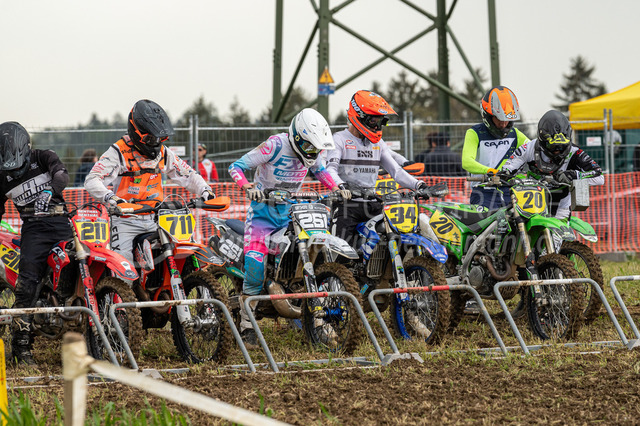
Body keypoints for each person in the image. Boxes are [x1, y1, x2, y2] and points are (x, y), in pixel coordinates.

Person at [228, 108, 348, 347]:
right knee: (255, 263)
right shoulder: (275, 145)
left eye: (316, 148)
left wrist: (336, 188)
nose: (312, 152)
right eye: (310, 146)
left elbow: (320, 170)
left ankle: (312, 318)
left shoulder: (313, 153)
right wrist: (248, 187)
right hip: (262, 214)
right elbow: (236, 166)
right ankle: (247, 325)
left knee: (309, 256)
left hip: (291, 214)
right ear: (298, 136)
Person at [85, 99, 215, 268]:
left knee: (181, 259)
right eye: (150, 138)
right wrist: (111, 198)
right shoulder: (119, 151)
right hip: (126, 219)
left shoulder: (163, 152)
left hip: (158, 218)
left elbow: (187, 174)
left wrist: (205, 190)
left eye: (159, 138)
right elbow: (92, 180)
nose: (155, 143)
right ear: (136, 132)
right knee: (125, 272)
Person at [0, 121, 73, 365]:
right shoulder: (2, 177)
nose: (15, 173)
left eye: (18, 167)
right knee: (27, 283)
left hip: (62, 222)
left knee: (80, 265)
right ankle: (21, 348)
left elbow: (62, 173)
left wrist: (50, 191)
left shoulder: (43, 157)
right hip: (34, 229)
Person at [326, 90, 431, 247]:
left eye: (381, 121)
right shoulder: (339, 139)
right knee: (342, 252)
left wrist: (419, 185)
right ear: (359, 116)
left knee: (392, 243)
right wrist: (341, 185)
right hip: (347, 204)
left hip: (373, 203)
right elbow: (330, 169)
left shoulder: (378, 144)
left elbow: (396, 171)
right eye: (373, 120)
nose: (377, 126)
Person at [501, 109, 604, 219]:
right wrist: (504, 173)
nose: (557, 151)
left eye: (562, 146)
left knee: (560, 231)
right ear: (542, 141)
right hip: (530, 206)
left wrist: (574, 175)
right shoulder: (529, 147)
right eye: (553, 146)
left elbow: (599, 177)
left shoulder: (575, 152)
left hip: (560, 209)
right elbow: (509, 166)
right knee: (506, 221)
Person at [462, 85, 529, 209]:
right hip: (483, 191)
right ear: (487, 116)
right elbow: (466, 162)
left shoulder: (516, 134)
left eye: (507, 119)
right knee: (486, 221)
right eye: (499, 118)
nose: (503, 124)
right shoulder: (474, 133)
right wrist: (491, 171)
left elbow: (533, 150)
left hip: (511, 191)